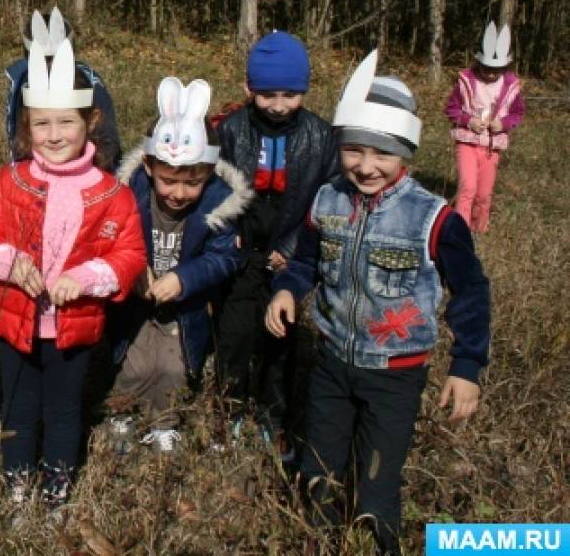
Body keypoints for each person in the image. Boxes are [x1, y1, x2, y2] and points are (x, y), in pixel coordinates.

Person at [266, 51, 491, 556]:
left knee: (378, 475)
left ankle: (377, 539)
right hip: (330, 362)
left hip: (395, 371)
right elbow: (306, 261)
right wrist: (287, 289)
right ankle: (317, 539)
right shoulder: (327, 201)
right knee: (318, 467)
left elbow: (471, 292)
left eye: (381, 154)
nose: (365, 167)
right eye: (354, 151)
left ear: (406, 155)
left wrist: (468, 365)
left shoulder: (433, 219)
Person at [0, 39, 145, 511]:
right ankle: (17, 484)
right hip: (15, 320)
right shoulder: (10, 182)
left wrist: (87, 277)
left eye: (65, 121)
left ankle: (56, 488)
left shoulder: (112, 194)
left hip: (73, 325)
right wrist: (11, 262)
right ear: (26, 127)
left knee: (64, 410)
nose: (53, 133)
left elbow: (130, 255)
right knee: (19, 407)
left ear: (90, 122)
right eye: (41, 123)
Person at [106, 78, 250, 452]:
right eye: (169, 181)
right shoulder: (130, 192)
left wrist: (184, 279)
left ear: (208, 173)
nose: (178, 193)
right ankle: (121, 413)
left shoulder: (219, 203)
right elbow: (112, 237)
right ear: (151, 167)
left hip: (183, 306)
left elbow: (224, 256)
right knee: (132, 361)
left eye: (191, 184)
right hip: (136, 301)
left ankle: (164, 422)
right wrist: (133, 266)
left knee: (173, 366)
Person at [213, 30, 337, 458]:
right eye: (268, 94)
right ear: (249, 88)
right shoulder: (230, 130)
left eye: (290, 93)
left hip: (289, 254)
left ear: (304, 90)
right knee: (233, 335)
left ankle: (273, 415)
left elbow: (326, 198)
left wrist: (296, 244)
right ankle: (227, 410)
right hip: (241, 250)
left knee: (279, 338)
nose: (279, 105)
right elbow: (216, 189)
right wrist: (232, 238)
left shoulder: (321, 138)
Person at [5, 7, 121, 170]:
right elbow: (16, 133)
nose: (49, 66)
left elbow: (108, 138)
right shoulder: (22, 83)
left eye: (55, 58)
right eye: (43, 59)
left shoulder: (88, 83)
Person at [445, 21, 525, 233]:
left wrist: (503, 124)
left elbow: (517, 113)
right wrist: (467, 120)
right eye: (487, 69)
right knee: (467, 188)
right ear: (479, 64)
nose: (490, 74)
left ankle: (480, 228)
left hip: (492, 147)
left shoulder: (511, 86)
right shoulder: (466, 81)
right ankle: (460, 230)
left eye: (496, 70)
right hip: (467, 142)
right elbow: (451, 109)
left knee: (483, 194)